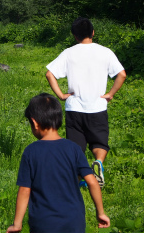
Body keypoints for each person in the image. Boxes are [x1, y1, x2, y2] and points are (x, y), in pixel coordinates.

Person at [6, 93, 110, 233]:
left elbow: (25, 190)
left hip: (43, 223)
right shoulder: (74, 149)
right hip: (74, 221)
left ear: (35, 123)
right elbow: (92, 182)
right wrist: (101, 212)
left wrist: (17, 224)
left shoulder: (31, 152)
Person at [45, 17, 126, 188]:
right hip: (97, 106)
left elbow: (49, 74)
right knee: (99, 142)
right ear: (93, 32)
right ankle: (98, 162)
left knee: (76, 146)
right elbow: (122, 74)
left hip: (74, 107)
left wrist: (61, 95)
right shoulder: (105, 52)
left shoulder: (68, 53)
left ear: (74, 36)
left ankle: (76, 178)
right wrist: (110, 94)